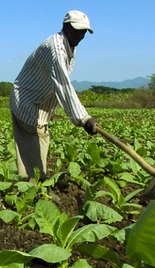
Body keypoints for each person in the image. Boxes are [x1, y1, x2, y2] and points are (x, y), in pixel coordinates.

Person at [9, 10, 99, 182]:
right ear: (66, 27)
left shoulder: (70, 46)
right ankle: (32, 187)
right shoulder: (56, 48)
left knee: (40, 142)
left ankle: (36, 184)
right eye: (78, 30)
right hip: (26, 102)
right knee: (34, 145)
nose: (81, 35)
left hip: (40, 104)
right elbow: (63, 85)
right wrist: (84, 118)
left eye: (84, 32)